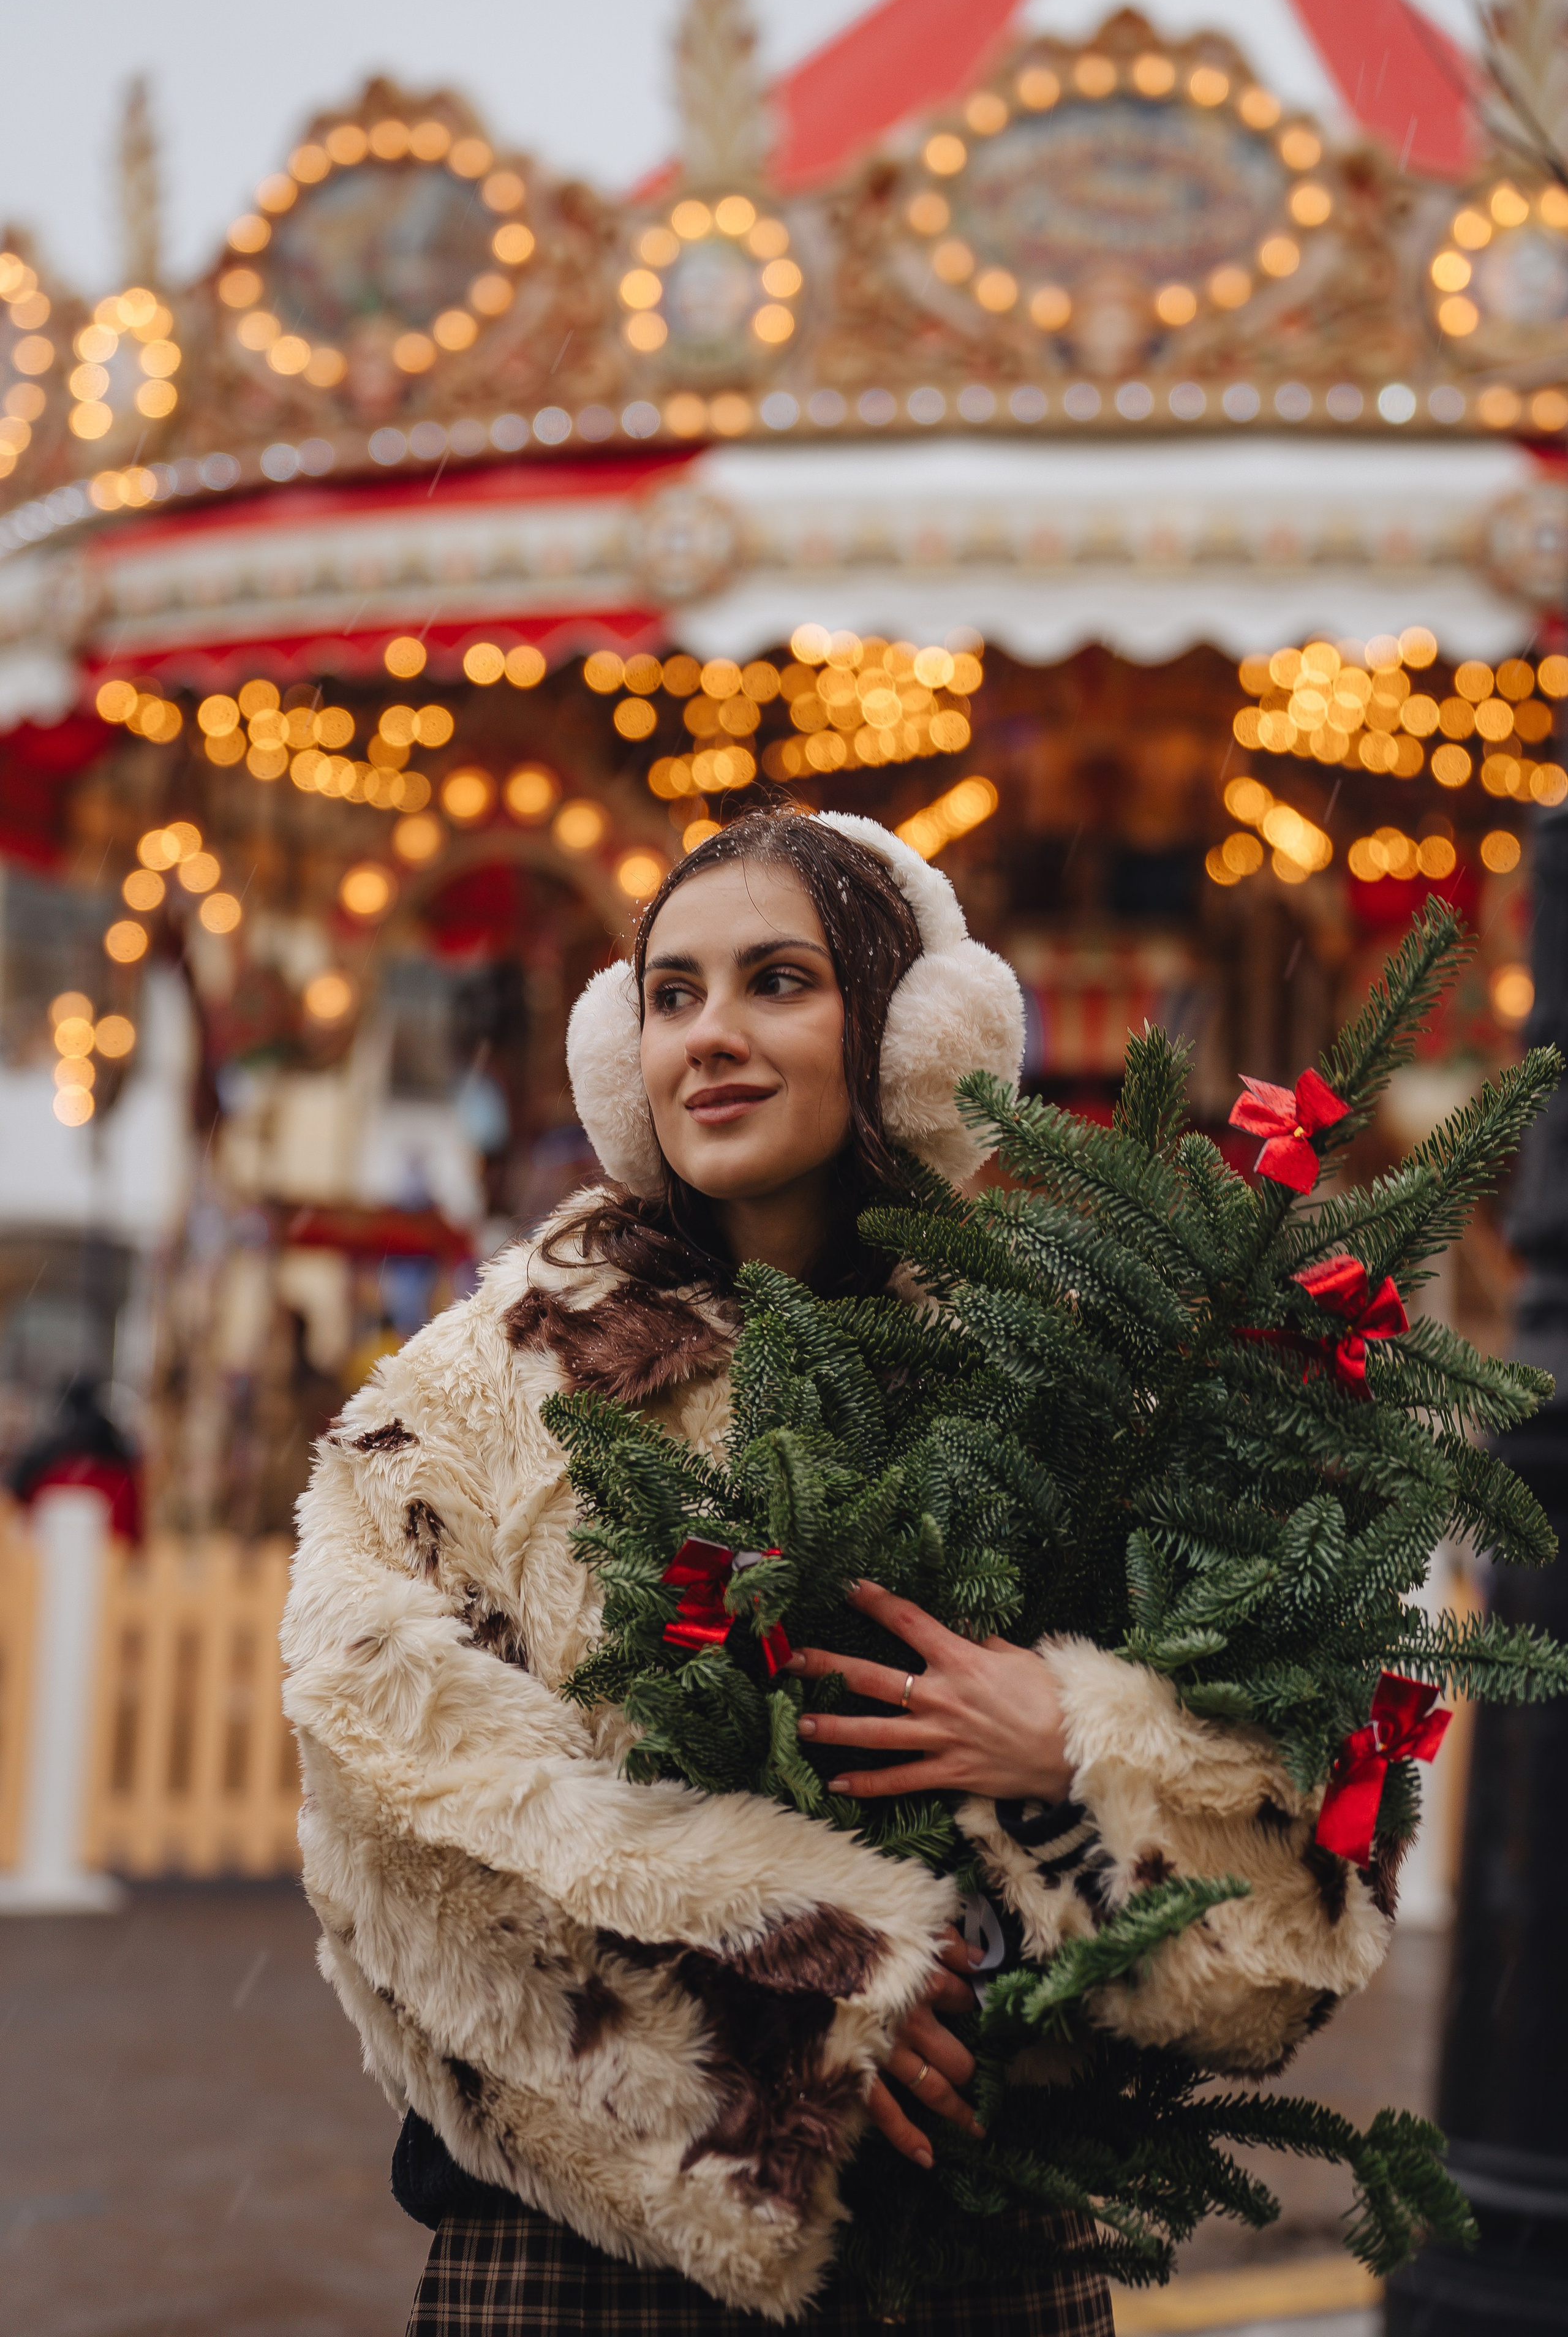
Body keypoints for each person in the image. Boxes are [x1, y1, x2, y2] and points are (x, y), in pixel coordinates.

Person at [282, 806, 1390, 2335]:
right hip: (585, 2265)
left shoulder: (1057, 1381)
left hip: (979, 2255)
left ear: (905, 1035)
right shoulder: (483, 1390)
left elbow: (1297, 1865)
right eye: (671, 995)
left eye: (777, 982)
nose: (710, 1038)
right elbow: (389, 1800)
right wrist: (792, 1999)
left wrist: (1081, 1747)